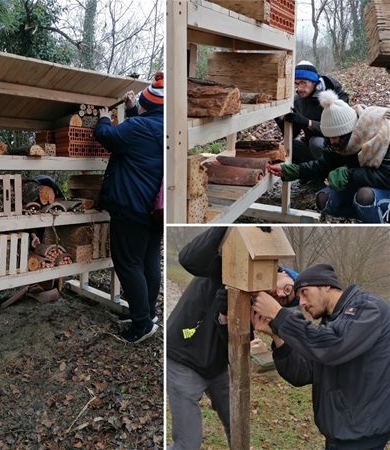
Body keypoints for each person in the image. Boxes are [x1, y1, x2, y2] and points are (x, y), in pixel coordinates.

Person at [166, 227, 299, 450]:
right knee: (187, 444)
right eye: (287, 288)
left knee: (238, 425)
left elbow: (234, 346)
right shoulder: (232, 263)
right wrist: (226, 226)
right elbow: (188, 260)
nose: (282, 295)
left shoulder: (259, 307)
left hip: (218, 368)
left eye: (286, 301)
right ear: (282, 272)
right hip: (184, 359)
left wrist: (226, 316)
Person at [251, 263, 390, 450]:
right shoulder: (330, 324)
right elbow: (302, 373)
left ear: (326, 285)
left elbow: (332, 346)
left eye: (305, 293)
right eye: (298, 297)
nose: (301, 303)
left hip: (362, 436)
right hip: (339, 434)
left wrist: (278, 314)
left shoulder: (367, 307)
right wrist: (276, 335)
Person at [94, 71, 163, 344]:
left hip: (131, 207)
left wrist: (102, 117)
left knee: (128, 264)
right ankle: (147, 313)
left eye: (142, 102)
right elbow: (141, 132)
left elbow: (107, 136)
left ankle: (141, 324)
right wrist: (133, 108)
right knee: (147, 261)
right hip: (154, 209)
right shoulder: (163, 126)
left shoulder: (137, 128)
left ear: (148, 105)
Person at [268, 90, 390, 223]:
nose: (332, 142)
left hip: (384, 187)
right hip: (366, 184)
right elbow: (322, 165)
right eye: (328, 138)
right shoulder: (343, 142)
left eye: (335, 137)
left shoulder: (382, 137)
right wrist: (292, 170)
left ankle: (379, 229)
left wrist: (349, 175)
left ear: (348, 132)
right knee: (323, 199)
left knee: (364, 197)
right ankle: (368, 215)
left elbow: (387, 176)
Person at [276, 61, 349, 164]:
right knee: (286, 145)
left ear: (314, 81)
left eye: (303, 83)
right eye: (296, 84)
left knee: (316, 142)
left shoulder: (336, 96)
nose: (299, 88)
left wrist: (308, 123)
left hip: (337, 146)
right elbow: (293, 134)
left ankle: (331, 174)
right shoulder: (298, 100)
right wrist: (280, 120)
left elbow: (340, 130)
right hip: (310, 145)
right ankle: (309, 176)